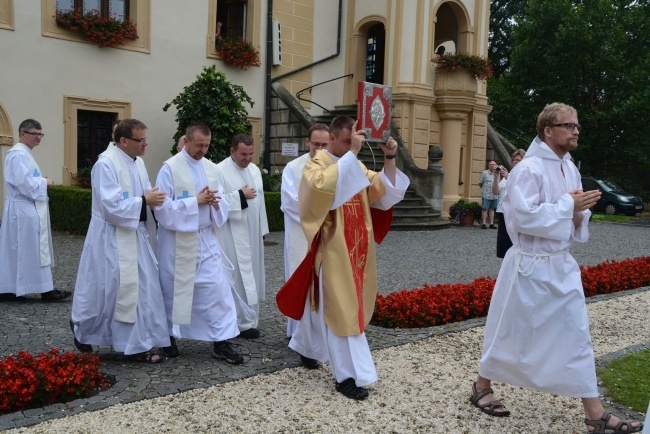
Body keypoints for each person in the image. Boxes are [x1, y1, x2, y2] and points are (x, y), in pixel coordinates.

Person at [470, 103, 643, 434]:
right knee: (510, 329)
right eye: (569, 126)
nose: (576, 131)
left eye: (577, 126)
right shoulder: (528, 169)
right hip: (529, 265)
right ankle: (481, 385)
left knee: (575, 334)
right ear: (548, 130)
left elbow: (575, 219)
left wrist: (579, 213)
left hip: (559, 264)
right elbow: (520, 218)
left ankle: (594, 413)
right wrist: (569, 205)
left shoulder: (570, 169)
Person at [277, 115, 409, 400]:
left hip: (357, 249)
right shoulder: (316, 166)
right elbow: (319, 194)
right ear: (333, 139)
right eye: (349, 141)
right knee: (341, 312)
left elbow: (384, 195)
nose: (355, 145)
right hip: (332, 251)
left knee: (326, 306)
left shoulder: (355, 163)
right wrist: (351, 155)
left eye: (356, 141)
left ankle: (305, 346)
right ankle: (347, 377)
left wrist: (389, 157)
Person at [70, 119, 169, 363]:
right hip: (111, 237)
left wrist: (153, 199)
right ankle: (84, 328)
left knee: (141, 289)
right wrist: (144, 200)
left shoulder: (139, 162)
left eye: (146, 138)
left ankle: (137, 343)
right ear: (124, 141)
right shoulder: (105, 164)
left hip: (135, 233)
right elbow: (111, 207)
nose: (146, 143)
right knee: (109, 289)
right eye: (141, 140)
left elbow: (145, 192)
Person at [154, 124, 244, 364]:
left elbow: (222, 202)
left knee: (217, 290)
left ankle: (221, 341)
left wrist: (215, 202)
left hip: (205, 238)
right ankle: (169, 337)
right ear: (186, 141)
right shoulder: (169, 169)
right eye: (198, 145)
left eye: (207, 145)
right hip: (176, 242)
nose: (202, 150)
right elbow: (161, 210)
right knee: (173, 289)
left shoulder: (211, 168)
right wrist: (195, 201)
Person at [0, 119, 71, 302]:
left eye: (41, 134)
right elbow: (25, 184)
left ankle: (21, 288)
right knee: (29, 249)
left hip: (27, 207)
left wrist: (40, 182)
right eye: (35, 134)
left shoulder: (25, 153)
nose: (39, 137)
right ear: (22, 134)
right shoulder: (18, 154)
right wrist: (45, 182)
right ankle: (39, 290)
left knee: (28, 249)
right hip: (23, 208)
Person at [280, 123, 329, 353]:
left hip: (327, 234)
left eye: (324, 144)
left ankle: (323, 331)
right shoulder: (293, 167)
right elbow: (291, 202)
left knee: (324, 282)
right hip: (301, 232)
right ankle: (298, 334)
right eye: (315, 144)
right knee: (300, 280)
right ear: (307, 142)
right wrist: (319, 216)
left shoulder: (333, 166)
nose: (319, 149)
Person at [215, 133, 268, 339]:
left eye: (251, 154)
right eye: (243, 154)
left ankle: (251, 319)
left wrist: (262, 230)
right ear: (232, 151)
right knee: (236, 276)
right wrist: (239, 195)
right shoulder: (219, 170)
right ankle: (236, 321)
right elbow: (217, 202)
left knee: (252, 274)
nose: (248, 159)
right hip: (231, 234)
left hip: (253, 234)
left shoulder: (255, 170)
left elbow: (261, 201)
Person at [492, 149, 526, 258]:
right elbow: (496, 191)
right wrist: (496, 177)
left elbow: (521, 191)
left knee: (514, 242)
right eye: (514, 160)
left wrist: (508, 177)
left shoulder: (525, 175)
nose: (515, 162)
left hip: (514, 213)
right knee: (503, 241)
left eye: (518, 160)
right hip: (503, 211)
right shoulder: (510, 175)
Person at [478, 161, 499, 229]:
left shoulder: (498, 173)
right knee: (485, 208)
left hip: (494, 195)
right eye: (491, 165)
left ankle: (491, 223)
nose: (492, 166)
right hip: (486, 194)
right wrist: (484, 189)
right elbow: (480, 183)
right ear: (488, 165)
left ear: (496, 165)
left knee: (492, 209)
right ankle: (484, 223)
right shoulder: (485, 173)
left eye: (494, 164)